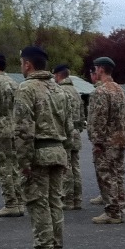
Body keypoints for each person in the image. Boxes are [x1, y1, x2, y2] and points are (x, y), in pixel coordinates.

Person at [14, 46, 68, 249]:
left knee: (38, 204)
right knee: (55, 203)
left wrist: (23, 162)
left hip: (38, 152)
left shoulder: (26, 89)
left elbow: (23, 129)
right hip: (58, 150)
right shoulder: (59, 89)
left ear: (27, 64)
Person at [88, 56, 125, 224]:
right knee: (117, 174)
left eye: (96, 69)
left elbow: (99, 118)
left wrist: (97, 141)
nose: (95, 72)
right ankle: (119, 208)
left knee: (106, 175)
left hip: (107, 140)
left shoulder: (101, 91)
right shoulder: (119, 89)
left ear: (101, 69)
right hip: (120, 137)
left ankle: (112, 211)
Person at [0, 53, 24, 217]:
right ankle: (19, 200)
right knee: (15, 165)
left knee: (3, 166)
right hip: (14, 128)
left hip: (0, 129)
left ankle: (11, 203)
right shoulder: (15, 84)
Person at [54, 64, 85, 211]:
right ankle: (77, 199)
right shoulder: (76, 92)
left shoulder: (60, 91)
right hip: (76, 133)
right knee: (76, 167)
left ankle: (68, 199)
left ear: (58, 75)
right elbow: (82, 116)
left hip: (65, 133)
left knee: (65, 167)